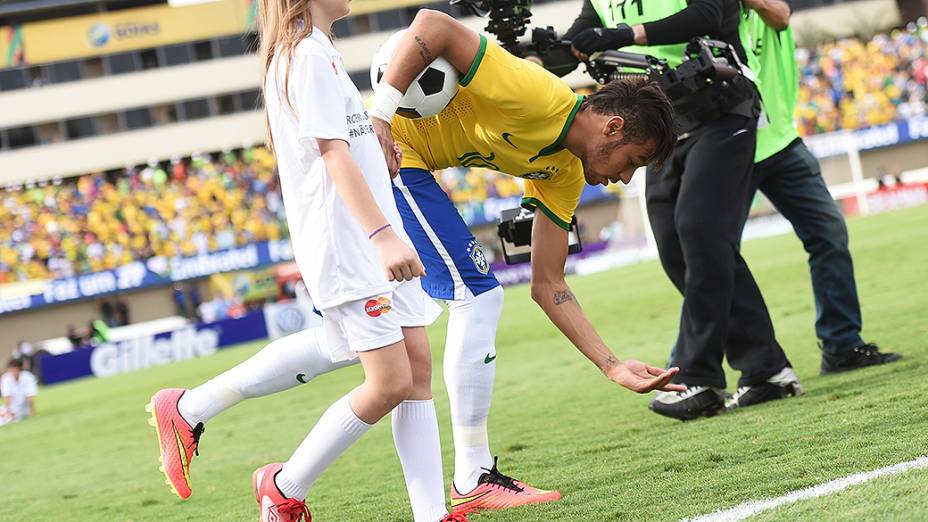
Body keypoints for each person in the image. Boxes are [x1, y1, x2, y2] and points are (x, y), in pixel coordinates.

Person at [148, 11, 681, 517]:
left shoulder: (564, 172)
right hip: (385, 160)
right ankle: (474, 477)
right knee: (477, 294)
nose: (625, 179)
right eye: (633, 161)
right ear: (612, 127)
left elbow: (548, 284)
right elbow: (433, 25)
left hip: (401, 170)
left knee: (365, 346)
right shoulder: (538, 95)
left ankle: (193, 409)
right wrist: (380, 115)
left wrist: (611, 365)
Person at [146, 0, 463, 519]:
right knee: (390, 382)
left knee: (415, 368)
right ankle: (283, 485)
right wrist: (383, 235)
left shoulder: (318, 50)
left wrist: (377, 153)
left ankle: (431, 514)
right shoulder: (305, 56)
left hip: (370, 235)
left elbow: (346, 148)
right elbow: (330, 154)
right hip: (352, 247)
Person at [565, 0, 803, 420]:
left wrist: (624, 35)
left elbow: (711, 13)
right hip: (662, 124)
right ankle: (767, 368)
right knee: (677, 243)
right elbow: (580, 38)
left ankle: (699, 375)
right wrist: (526, 56)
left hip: (722, 106)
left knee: (701, 231)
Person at [738, 0, 900, 376]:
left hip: (780, 140)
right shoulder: (699, 11)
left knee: (829, 233)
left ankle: (842, 343)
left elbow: (779, 14)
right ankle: (707, 367)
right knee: (709, 259)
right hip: (726, 148)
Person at [1, 359, 38, 425]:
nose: (13, 372)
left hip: (23, 410)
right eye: (11, 370)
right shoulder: (5, 378)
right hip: (10, 408)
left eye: (14, 369)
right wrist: (8, 411)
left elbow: (30, 397)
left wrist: (33, 411)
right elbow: (7, 397)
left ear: (19, 369)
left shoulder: (28, 377)